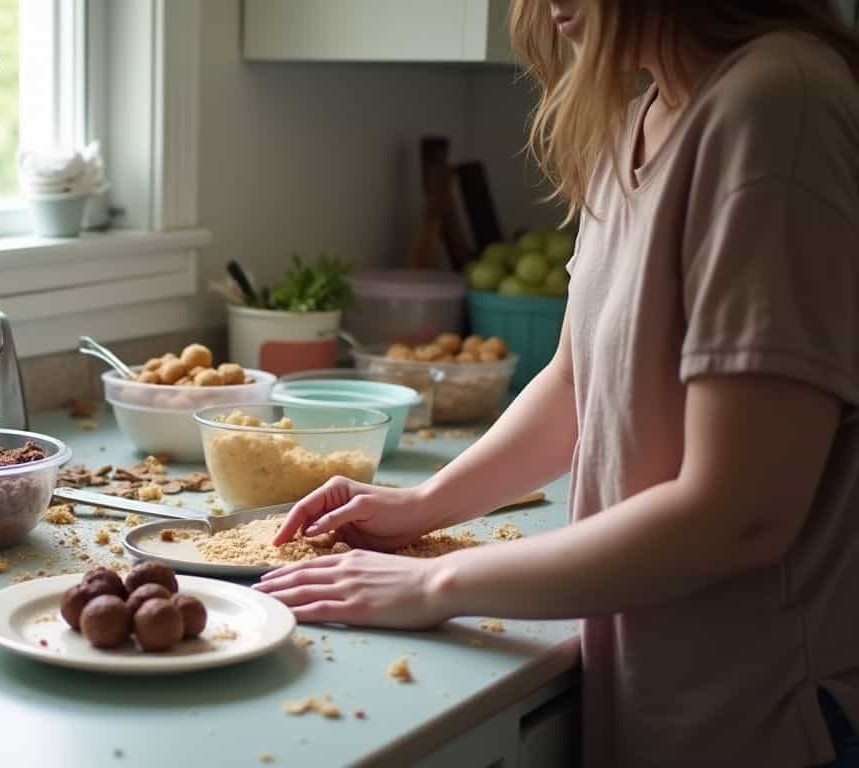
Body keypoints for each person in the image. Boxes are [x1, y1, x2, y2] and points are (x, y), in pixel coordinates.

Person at [255, 1, 859, 765]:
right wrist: (421, 507)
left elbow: (740, 512)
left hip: (773, 718)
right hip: (665, 701)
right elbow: (576, 384)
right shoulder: (635, 115)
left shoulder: (778, 102)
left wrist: (441, 585)